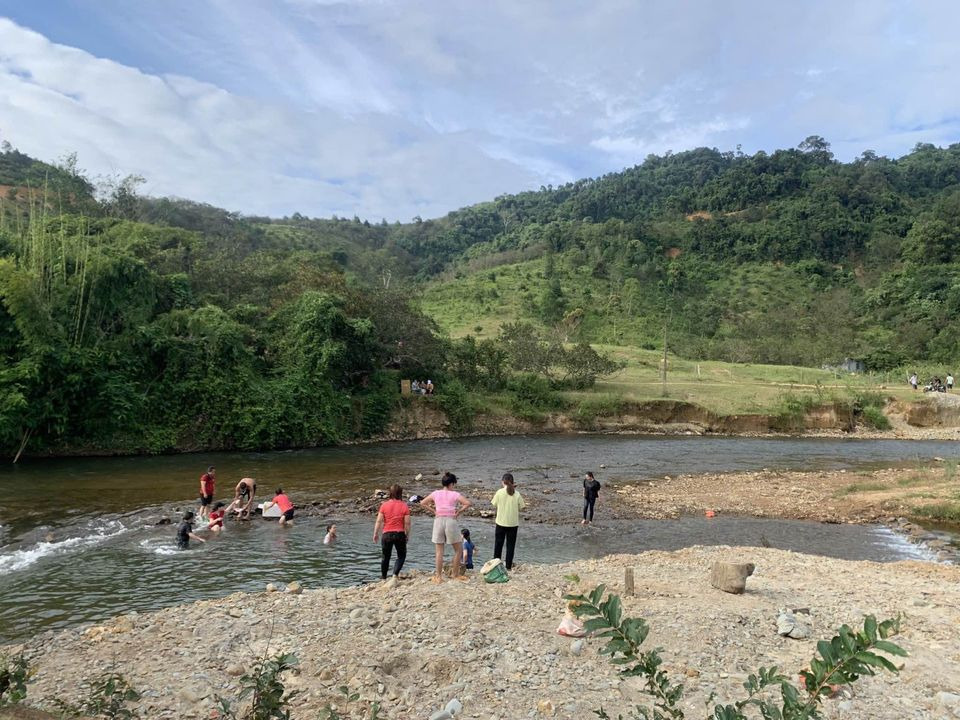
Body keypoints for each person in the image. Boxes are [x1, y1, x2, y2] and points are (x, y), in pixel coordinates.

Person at [421, 472, 472, 583]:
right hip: (450, 521)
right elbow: (467, 503)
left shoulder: (436, 493)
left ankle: (438, 576)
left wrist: (434, 511)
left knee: (439, 551)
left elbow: (423, 502)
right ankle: (455, 575)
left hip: (438, 520)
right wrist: (458, 512)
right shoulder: (455, 494)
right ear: (451, 484)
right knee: (458, 550)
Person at [373, 484, 411, 580]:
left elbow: (379, 521)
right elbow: (407, 523)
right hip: (399, 534)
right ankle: (395, 574)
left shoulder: (384, 505)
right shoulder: (404, 506)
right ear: (400, 493)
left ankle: (384, 577)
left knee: (385, 557)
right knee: (401, 555)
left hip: (387, 534)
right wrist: (407, 534)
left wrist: (375, 533)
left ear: (390, 493)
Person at [491, 473, 525, 570]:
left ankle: (495, 566)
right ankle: (508, 566)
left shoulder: (499, 492)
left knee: (498, 545)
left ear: (503, 482)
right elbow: (522, 506)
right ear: (513, 482)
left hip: (500, 522)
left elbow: (494, 504)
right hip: (513, 524)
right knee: (510, 546)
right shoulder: (517, 494)